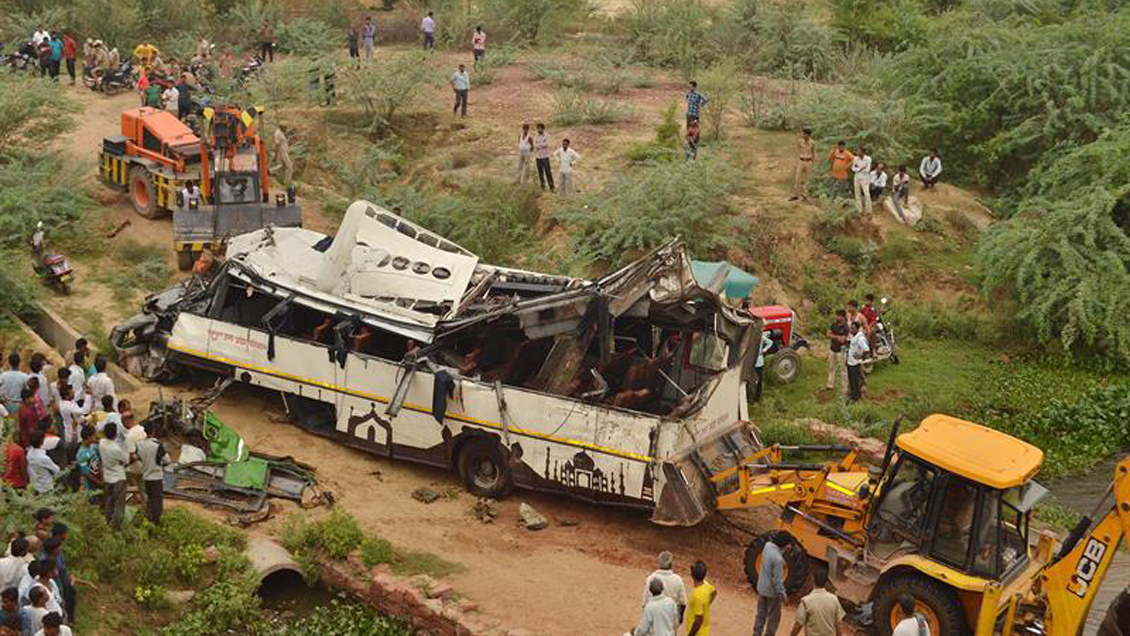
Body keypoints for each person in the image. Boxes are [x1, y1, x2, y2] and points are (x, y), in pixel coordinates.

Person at [753, 532, 789, 636]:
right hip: (772, 593)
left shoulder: (767, 546)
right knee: (774, 617)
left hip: (762, 588)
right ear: (784, 544)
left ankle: (756, 633)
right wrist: (783, 595)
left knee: (760, 614)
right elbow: (777, 581)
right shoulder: (778, 559)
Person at [791, 567, 844, 636]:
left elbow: (798, 625)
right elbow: (839, 625)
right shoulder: (834, 600)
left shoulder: (806, 601)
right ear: (826, 583)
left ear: (813, 580)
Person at [641, 551, 687, 624]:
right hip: (670, 620)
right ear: (671, 564)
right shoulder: (678, 580)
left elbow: (645, 603)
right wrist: (680, 617)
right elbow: (683, 603)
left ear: (659, 563)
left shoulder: (651, 578)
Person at [98, 422, 129, 530]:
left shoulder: (101, 443)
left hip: (107, 477)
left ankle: (108, 524)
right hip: (119, 477)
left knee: (109, 502)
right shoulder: (116, 449)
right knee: (119, 505)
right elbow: (127, 460)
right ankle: (116, 528)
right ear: (115, 434)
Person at [136, 435, 168, 524]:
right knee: (157, 501)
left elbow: (138, 457)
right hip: (156, 477)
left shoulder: (140, 444)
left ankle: (148, 519)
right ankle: (156, 522)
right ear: (153, 431)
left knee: (149, 499)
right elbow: (167, 460)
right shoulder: (157, 445)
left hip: (146, 477)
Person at [686, 560, 716, 636]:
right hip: (705, 631)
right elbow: (714, 592)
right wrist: (706, 604)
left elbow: (698, 619)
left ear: (692, 575)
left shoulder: (696, 595)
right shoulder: (706, 585)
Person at [826, 311, 849, 395]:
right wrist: (837, 337)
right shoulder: (833, 324)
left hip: (841, 351)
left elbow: (843, 340)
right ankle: (830, 385)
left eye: (839, 316)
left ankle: (844, 388)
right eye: (837, 315)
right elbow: (827, 334)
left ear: (843, 317)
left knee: (843, 369)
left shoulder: (846, 327)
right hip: (832, 349)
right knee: (831, 367)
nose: (837, 317)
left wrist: (833, 336)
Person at [847, 321, 869, 402]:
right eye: (851, 328)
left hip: (855, 363)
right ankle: (853, 396)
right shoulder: (853, 336)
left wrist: (860, 356)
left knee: (855, 381)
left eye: (853, 329)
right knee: (852, 381)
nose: (851, 330)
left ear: (857, 329)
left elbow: (866, 350)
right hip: (851, 362)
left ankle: (855, 398)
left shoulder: (860, 338)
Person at [791, 128, 815, 201]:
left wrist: (813, 161)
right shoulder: (800, 142)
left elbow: (813, 152)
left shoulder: (812, 143)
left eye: (804, 134)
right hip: (801, 161)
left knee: (807, 179)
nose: (803, 135)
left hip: (809, 161)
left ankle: (805, 195)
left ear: (808, 135)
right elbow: (798, 150)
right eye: (803, 133)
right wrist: (797, 160)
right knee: (797, 178)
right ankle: (795, 194)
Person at [753, 329, 773, 403]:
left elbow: (770, 342)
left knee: (759, 381)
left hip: (759, 362)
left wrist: (764, 350)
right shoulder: (749, 338)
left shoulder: (761, 337)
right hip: (751, 362)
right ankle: (749, 396)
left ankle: (757, 399)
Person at [74, 427, 97, 492]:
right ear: (89, 437)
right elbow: (86, 472)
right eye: (94, 435)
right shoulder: (81, 453)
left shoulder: (93, 446)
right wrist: (98, 481)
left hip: (95, 477)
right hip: (87, 483)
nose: (96, 437)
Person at [851, 145, 873, 214]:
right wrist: (860, 168)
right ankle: (859, 210)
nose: (857, 152)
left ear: (863, 152)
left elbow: (867, 169)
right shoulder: (855, 159)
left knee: (866, 194)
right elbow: (853, 168)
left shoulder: (868, 159)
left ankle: (868, 210)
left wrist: (858, 168)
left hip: (865, 177)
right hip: (857, 176)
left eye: (859, 151)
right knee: (857, 193)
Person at [534, 123, 554, 191]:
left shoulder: (547, 136)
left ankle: (551, 186)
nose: (539, 130)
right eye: (538, 128)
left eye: (540, 128)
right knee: (540, 173)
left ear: (543, 129)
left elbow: (546, 144)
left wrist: (539, 145)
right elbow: (535, 145)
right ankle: (543, 186)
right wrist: (541, 145)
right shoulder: (536, 136)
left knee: (548, 172)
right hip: (538, 157)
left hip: (545, 156)